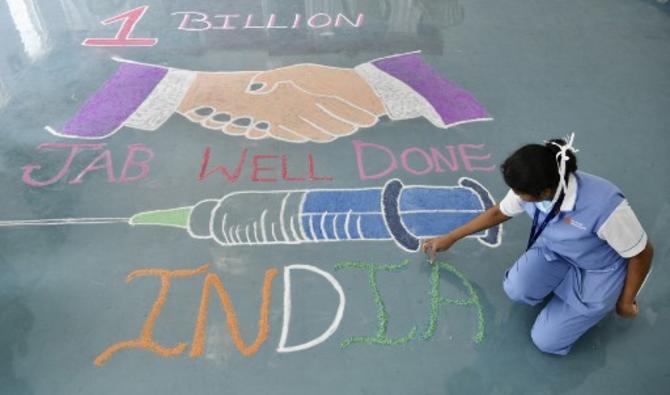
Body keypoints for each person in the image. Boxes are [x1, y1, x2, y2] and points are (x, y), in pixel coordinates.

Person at [422, 134, 654, 355]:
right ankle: (564, 288)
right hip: (556, 251)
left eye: (520, 193)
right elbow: (497, 213)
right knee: (517, 288)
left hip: (599, 270)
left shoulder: (605, 207)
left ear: (545, 192)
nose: (515, 196)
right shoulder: (534, 182)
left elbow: (642, 253)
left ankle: (594, 300)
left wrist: (625, 301)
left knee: (546, 342)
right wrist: (452, 237)